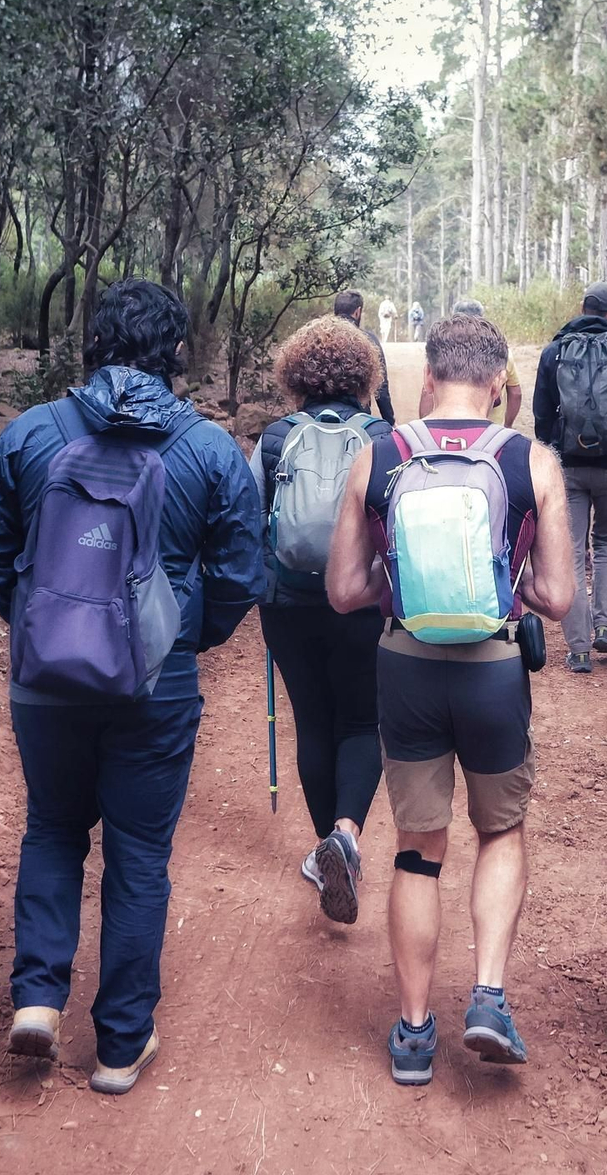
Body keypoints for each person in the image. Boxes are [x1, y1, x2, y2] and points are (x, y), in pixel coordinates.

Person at [0, 278, 263, 1095]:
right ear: (176, 354)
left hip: (44, 684)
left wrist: (40, 624)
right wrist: (183, 636)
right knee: (140, 855)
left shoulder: (29, 433)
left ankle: (36, 1000)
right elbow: (241, 572)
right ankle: (121, 1044)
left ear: (90, 346)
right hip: (155, 689)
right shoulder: (207, 449)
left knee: (54, 827)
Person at [326, 313, 575, 1087]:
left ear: (428, 378)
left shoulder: (379, 455)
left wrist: (394, 585)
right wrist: (514, 584)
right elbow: (559, 596)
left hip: (405, 664)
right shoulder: (529, 459)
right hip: (493, 671)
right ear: (500, 384)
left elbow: (341, 589)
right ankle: (489, 996)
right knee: (500, 832)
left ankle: (411, 1030)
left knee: (415, 846)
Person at [249, 317, 391, 924]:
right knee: (361, 720)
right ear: (364, 376)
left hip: (288, 602)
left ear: (295, 375)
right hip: (360, 600)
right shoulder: (384, 437)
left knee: (312, 720)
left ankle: (328, 849)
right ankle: (346, 835)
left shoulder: (276, 437)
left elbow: (250, 516)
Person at [533, 281, 607, 675]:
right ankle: (605, 625)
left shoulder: (555, 350)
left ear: (582, 306)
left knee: (568, 549)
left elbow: (541, 414)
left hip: (567, 466)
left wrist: (553, 452)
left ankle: (579, 649)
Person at [451, 299, 522, 427]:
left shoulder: (444, 353)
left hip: (453, 428)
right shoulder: (503, 352)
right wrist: (508, 425)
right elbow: (516, 393)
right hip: (492, 430)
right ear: (482, 320)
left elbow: (427, 394)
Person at [333, 289, 397, 425]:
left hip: (318, 416)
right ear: (358, 312)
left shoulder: (318, 339)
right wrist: (389, 421)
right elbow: (381, 385)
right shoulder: (368, 340)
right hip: (357, 418)